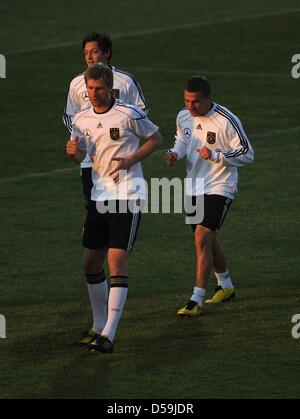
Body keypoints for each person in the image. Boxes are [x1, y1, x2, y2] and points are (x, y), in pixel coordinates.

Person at [66, 63, 163, 352]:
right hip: (100, 196)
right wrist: (75, 153)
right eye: (90, 89)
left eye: (99, 89)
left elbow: (156, 138)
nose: (94, 94)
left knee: (116, 261)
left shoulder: (128, 114)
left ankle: (109, 333)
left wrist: (131, 160)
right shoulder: (81, 119)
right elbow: (83, 154)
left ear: (110, 88)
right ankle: (97, 326)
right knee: (90, 262)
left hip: (128, 194)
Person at [165, 76, 254, 317]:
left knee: (202, 238)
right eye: (186, 100)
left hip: (220, 186)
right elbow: (183, 141)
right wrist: (175, 153)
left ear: (207, 99)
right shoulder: (183, 116)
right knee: (207, 239)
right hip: (194, 188)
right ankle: (225, 285)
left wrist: (216, 156)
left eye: (195, 102)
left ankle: (196, 299)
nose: (190, 107)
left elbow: (247, 154)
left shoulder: (226, 120)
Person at [63, 32, 148, 206]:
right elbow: (70, 115)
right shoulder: (77, 83)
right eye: (86, 53)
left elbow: (141, 111)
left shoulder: (125, 81)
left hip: (119, 157)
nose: (89, 56)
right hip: (90, 160)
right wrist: (83, 138)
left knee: (122, 207)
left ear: (107, 52)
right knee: (93, 208)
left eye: (94, 51)